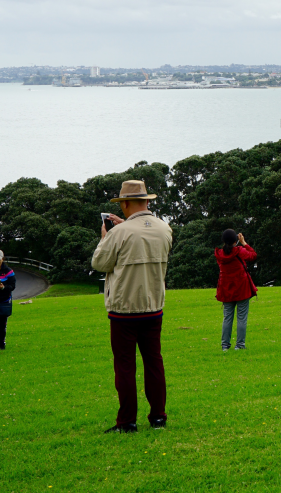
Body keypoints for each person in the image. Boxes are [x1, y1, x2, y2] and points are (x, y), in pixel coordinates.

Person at [92, 180, 172, 434]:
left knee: (125, 366)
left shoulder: (119, 232)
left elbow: (100, 263)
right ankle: (158, 416)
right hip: (153, 305)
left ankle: (127, 421)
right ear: (147, 201)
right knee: (154, 362)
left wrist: (106, 238)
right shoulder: (164, 228)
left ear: (125, 204)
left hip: (124, 309)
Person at [214, 229, 258, 351]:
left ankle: (225, 345)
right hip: (241, 288)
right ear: (235, 241)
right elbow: (253, 255)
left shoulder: (219, 254)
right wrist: (244, 243)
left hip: (226, 288)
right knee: (242, 318)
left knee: (227, 317)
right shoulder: (239, 251)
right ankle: (239, 345)